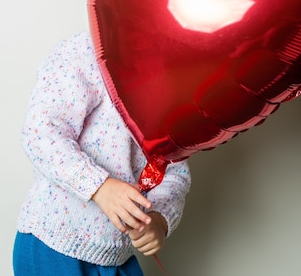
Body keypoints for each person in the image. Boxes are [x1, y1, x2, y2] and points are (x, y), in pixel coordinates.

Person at [13, 31, 191, 276]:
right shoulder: (84, 53)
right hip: (53, 244)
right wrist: (100, 186)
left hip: (117, 255)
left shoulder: (177, 78)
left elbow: (175, 169)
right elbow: (41, 132)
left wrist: (159, 220)